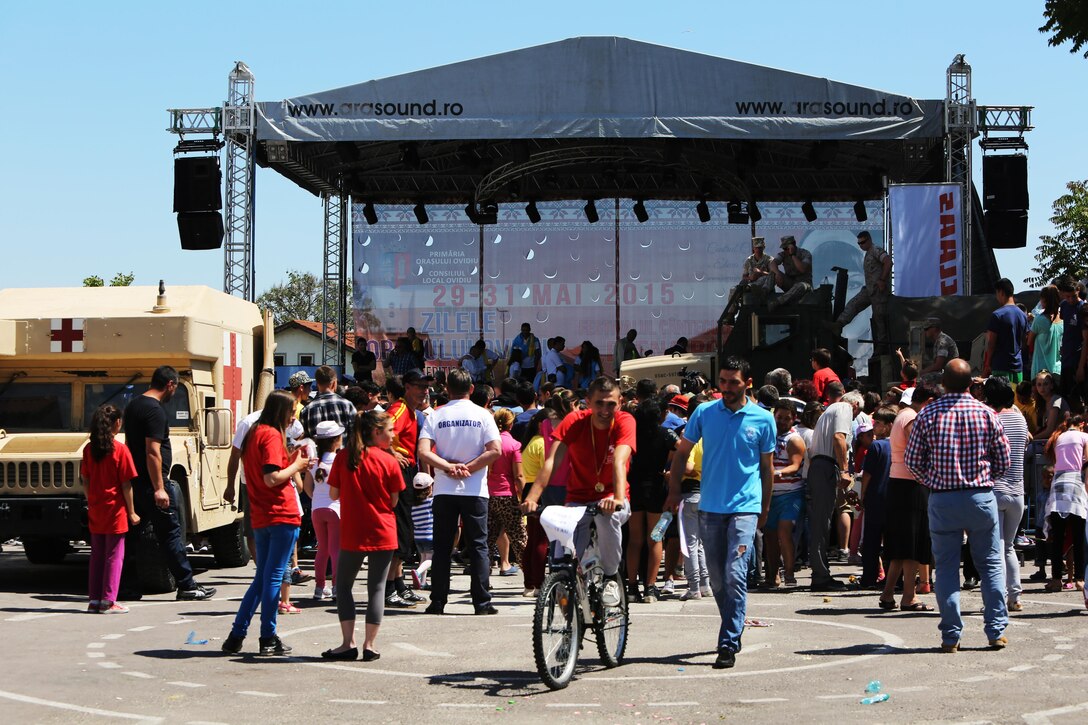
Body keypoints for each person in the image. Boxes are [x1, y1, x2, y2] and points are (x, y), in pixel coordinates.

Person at [666, 356, 775, 669]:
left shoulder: (763, 419)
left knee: (735, 573)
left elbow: (766, 469)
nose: (726, 388)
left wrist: (764, 507)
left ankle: (727, 642)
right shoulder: (704, 413)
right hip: (710, 507)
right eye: (723, 381)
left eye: (733, 382)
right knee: (716, 578)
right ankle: (734, 623)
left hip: (746, 508)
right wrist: (674, 491)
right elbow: (681, 453)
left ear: (748, 383)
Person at [905, 359, 1011, 653]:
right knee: (990, 564)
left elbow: (913, 461)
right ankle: (996, 631)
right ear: (971, 384)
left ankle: (951, 636)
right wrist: (984, 478)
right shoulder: (986, 413)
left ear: (943, 383)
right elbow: (1004, 460)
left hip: (943, 498)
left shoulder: (928, 414)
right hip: (980, 497)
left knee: (947, 568)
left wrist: (933, 481)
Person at [522, 376, 636, 605]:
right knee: (564, 551)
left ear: (620, 402)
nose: (605, 410)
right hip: (577, 500)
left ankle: (611, 577)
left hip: (612, 497)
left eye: (611, 404)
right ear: (588, 402)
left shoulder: (625, 421)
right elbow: (552, 461)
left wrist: (617, 498)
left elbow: (619, 460)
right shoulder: (575, 420)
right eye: (599, 403)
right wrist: (532, 498)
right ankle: (567, 595)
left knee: (606, 518)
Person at [222, 391, 309, 657]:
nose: (293, 418)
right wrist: (297, 465)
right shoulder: (271, 434)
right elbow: (272, 478)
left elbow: (264, 471)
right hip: (280, 513)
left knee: (262, 578)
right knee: (272, 577)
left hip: (262, 514)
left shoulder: (254, 433)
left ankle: (237, 635)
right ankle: (268, 636)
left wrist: (291, 460)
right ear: (280, 411)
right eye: (291, 412)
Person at [123, 365, 215, 601]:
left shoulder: (134, 405)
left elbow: (132, 445)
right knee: (171, 535)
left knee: (132, 538)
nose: (174, 392)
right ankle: (187, 585)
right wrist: (159, 488)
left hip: (135, 483)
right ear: (170, 385)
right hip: (153, 484)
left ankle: (126, 587)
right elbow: (152, 452)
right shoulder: (155, 411)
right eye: (175, 387)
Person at [417, 368, 502, 615]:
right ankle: (482, 603)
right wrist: (469, 468)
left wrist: (448, 467)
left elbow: (423, 451)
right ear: (471, 389)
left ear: (446, 389)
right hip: (474, 489)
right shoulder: (483, 415)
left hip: (444, 489)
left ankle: (438, 601)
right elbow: (495, 450)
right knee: (478, 546)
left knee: (442, 546)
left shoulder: (436, 415)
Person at [321, 410, 404, 662]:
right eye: (390, 430)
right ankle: (370, 644)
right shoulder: (389, 460)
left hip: (353, 529)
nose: (393, 435)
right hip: (382, 529)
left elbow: (333, 494)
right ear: (376, 432)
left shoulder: (344, 457)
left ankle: (348, 643)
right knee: (376, 587)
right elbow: (394, 500)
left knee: (344, 585)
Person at [879, 384, 938, 611]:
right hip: (912, 485)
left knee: (901, 545)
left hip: (899, 483)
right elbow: (919, 450)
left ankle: (888, 594)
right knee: (912, 546)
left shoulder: (902, 415)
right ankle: (908, 597)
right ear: (928, 402)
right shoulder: (912, 418)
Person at [81, 405, 139, 614]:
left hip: (96, 507)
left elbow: (85, 479)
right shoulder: (120, 450)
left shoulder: (89, 449)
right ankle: (108, 600)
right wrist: (132, 512)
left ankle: (94, 600)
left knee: (97, 555)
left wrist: (91, 499)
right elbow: (126, 484)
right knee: (114, 556)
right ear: (117, 423)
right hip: (115, 509)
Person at [384, 370, 433, 608]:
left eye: (426, 386)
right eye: (420, 386)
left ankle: (398, 584)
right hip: (399, 472)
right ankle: (388, 589)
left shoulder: (411, 412)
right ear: (407, 387)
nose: (425, 391)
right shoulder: (400, 409)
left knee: (405, 531)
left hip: (407, 471)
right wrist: (392, 452)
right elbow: (378, 429)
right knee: (400, 531)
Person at [806, 390, 864, 590]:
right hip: (824, 466)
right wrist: (845, 471)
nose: (854, 419)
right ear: (855, 406)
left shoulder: (831, 411)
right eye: (857, 415)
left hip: (822, 466)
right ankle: (820, 576)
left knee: (821, 523)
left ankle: (821, 573)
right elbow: (839, 437)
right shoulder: (844, 408)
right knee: (821, 524)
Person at [982, 377, 1029, 610]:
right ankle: (1015, 596)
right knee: (1009, 546)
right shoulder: (1021, 419)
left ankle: (997, 598)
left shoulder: (991, 418)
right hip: (1017, 491)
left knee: (997, 547)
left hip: (996, 489)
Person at [626, 399, 679, 603]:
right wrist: (671, 468)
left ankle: (632, 587)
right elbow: (682, 448)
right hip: (656, 487)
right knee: (655, 538)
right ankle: (650, 587)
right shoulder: (665, 433)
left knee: (634, 540)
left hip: (634, 486)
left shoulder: (632, 433)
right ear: (660, 415)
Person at [1042, 415, 1088, 592]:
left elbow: (1056, 462)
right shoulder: (1084, 437)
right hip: (1076, 484)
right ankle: (1079, 579)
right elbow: (1087, 462)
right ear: (1082, 424)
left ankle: (1056, 579)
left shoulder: (1059, 437)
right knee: (1078, 536)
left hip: (1058, 485)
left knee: (1058, 536)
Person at [763, 399, 806, 588]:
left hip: (791, 493)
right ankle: (773, 576)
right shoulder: (769, 436)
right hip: (770, 495)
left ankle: (789, 574)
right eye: (779, 417)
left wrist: (776, 473)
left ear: (794, 419)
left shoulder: (794, 439)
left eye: (786, 418)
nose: (781, 421)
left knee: (784, 532)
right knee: (770, 536)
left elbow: (795, 466)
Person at [304, 421, 344, 601]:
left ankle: (319, 587)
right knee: (336, 550)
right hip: (336, 509)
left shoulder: (314, 462)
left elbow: (307, 487)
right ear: (336, 440)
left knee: (322, 550)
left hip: (317, 509)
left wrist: (316, 498)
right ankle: (336, 587)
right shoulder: (339, 461)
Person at [835, 231, 892, 349]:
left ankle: (882, 346)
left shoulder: (876, 250)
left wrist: (882, 280)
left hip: (879, 291)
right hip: (869, 290)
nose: (861, 245)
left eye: (863, 242)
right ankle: (838, 324)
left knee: (879, 318)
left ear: (869, 240)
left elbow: (888, 262)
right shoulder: (867, 254)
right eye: (859, 243)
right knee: (854, 304)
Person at [859, 406, 895, 588]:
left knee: (871, 540)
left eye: (878, 423)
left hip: (876, 497)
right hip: (893, 498)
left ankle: (869, 578)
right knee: (891, 541)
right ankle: (893, 578)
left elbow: (867, 474)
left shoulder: (876, 446)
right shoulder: (899, 445)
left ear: (888, 426)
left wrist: (862, 494)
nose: (875, 427)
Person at [487, 408, 526, 577]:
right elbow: (519, 476)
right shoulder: (514, 445)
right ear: (511, 425)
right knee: (519, 538)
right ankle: (530, 577)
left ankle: (483, 577)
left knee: (487, 539)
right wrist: (524, 496)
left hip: (488, 495)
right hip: (507, 496)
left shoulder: (488, 444)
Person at [982, 278, 1029, 383]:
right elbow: (1025, 342)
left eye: (997, 293)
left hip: (1000, 367)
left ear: (1001, 292)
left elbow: (991, 343)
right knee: (1016, 393)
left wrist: (987, 363)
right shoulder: (1022, 315)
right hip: (1018, 368)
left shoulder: (997, 315)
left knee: (1001, 393)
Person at [299, 366, 356, 440]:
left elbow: (305, 440)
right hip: (343, 447)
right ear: (334, 383)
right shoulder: (347, 405)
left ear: (317, 384)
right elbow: (355, 435)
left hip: (317, 448)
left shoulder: (306, 410)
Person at [768, 235, 813, 311]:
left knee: (801, 285)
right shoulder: (783, 254)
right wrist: (777, 273)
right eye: (784, 248)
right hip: (791, 284)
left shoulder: (805, 254)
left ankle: (778, 302)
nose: (786, 250)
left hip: (805, 285)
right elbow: (772, 264)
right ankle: (764, 292)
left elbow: (802, 269)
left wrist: (792, 255)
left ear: (794, 244)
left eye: (787, 248)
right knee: (773, 273)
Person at [1028, 286, 1063, 379]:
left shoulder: (1039, 320)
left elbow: (1029, 341)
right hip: (1057, 370)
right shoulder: (1063, 320)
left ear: (1044, 300)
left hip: (1040, 371)